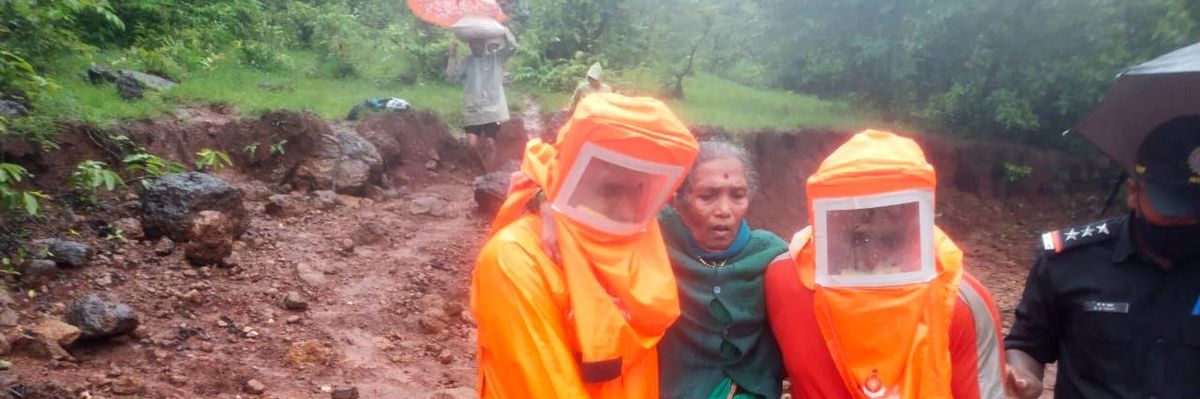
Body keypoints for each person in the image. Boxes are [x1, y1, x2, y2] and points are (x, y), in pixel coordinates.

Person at [470, 93, 699, 398]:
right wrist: (542, 196)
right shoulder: (515, 257)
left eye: (638, 190)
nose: (623, 206)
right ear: (572, 175)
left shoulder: (643, 244)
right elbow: (544, 386)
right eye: (609, 188)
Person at [764, 130, 1007, 399]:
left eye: (891, 241)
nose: (872, 256)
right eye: (857, 238)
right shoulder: (784, 280)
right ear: (826, 223)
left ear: (917, 227)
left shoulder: (961, 303)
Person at [1005, 115, 1200, 399]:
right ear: (1133, 193)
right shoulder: (1071, 262)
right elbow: (1026, 343)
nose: (1188, 221)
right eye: (1173, 209)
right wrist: (1022, 376)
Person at [656, 140, 786, 399]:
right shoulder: (653, 243)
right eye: (708, 196)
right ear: (676, 200)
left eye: (738, 195)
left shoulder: (772, 255)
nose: (725, 211)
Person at [446, 28, 517, 169]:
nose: (475, 47)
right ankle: (481, 169)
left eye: (478, 44)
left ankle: (488, 175)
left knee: (490, 143)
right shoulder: (466, 62)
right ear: (470, 46)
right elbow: (452, 78)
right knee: (472, 146)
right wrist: (452, 56)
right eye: (472, 44)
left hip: (493, 108)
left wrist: (504, 31)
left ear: (484, 43)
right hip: (473, 109)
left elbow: (512, 47)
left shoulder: (496, 57)